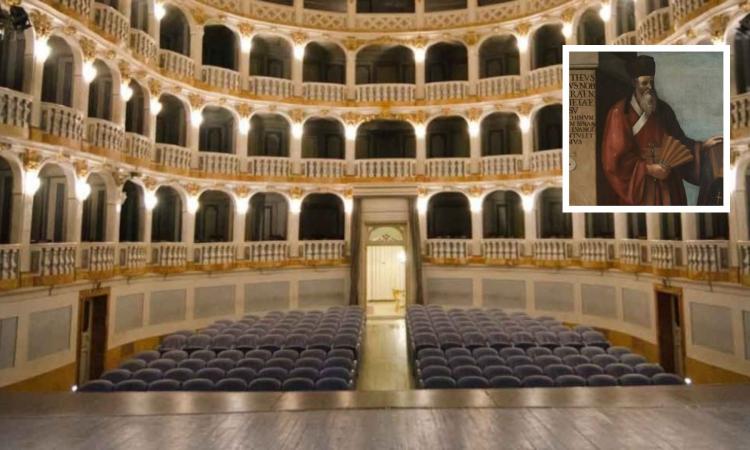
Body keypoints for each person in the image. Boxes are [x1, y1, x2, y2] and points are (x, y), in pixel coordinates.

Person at [600, 55, 723, 205]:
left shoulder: (664, 110)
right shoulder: (619, 113)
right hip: (641, 187)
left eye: (651, 82)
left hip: (669, 183)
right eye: (644, 83)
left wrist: (701, 147)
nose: (649, 87)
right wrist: (649, 169)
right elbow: (615, 161)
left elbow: (679, 142)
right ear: (634, 83)